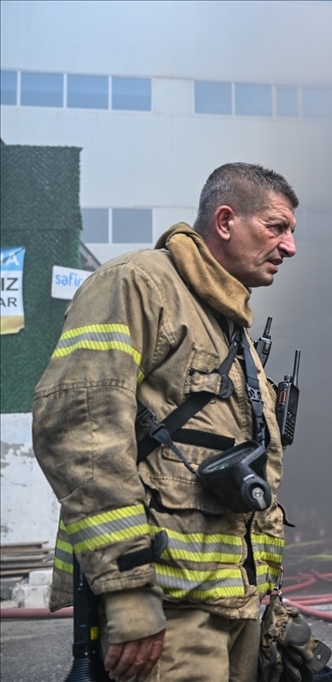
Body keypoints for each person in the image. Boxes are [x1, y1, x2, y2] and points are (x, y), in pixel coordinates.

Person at [34, 163, 299, 682]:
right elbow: (80, 431)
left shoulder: (230, 325)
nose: (289, 247)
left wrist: (267, 594)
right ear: (225, 221)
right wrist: (129, 590)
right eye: (277, 227)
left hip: (233, 604)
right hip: (167, 608)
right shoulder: (135, 284)